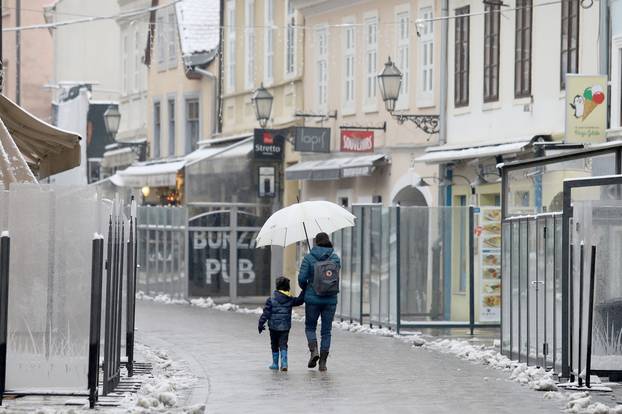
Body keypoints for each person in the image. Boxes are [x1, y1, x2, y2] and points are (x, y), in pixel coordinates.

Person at [298, 232, 341, 372]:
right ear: (328, 242)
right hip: (330, 299)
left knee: (310, 327)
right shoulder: (335, 258)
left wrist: (308, 288)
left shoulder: (309, 258)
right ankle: (323, 362)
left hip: (313, 298)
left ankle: (314, 350)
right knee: (326, 331)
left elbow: (301, 279)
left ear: (316, 242)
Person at [258, 276, 304, 371]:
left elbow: (266, 313)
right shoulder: (290, 299)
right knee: (283, 344)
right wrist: (304, 291)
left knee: (274, 344)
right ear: (288, 287)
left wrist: (261, 324)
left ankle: (275, 364)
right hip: (285, 327)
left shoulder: (271, 299)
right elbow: (300, 301)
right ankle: (284, 363)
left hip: (273, 327)